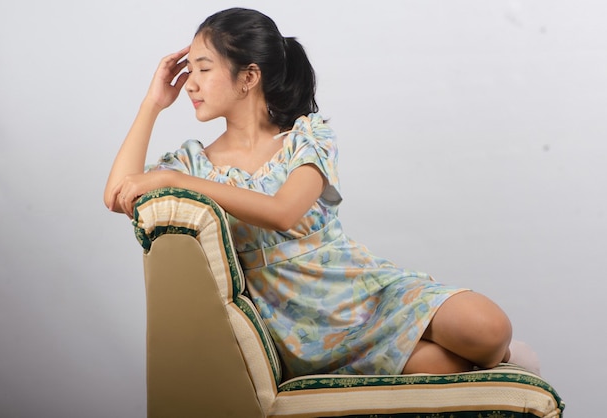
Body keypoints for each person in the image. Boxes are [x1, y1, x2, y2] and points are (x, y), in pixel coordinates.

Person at [105, 7, 538, 379]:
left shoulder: (307, 137)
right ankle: (490, 362)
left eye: (203, 69)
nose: (191, 84)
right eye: (190, 71)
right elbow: (116, 195)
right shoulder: (194, 162)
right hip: (302, 329)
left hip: (361, 288)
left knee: (490, 329)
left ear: (249, 76)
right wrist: (152, 104)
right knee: (449, 360)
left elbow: (284, 212)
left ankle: (499, 356)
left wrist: (175, 181)